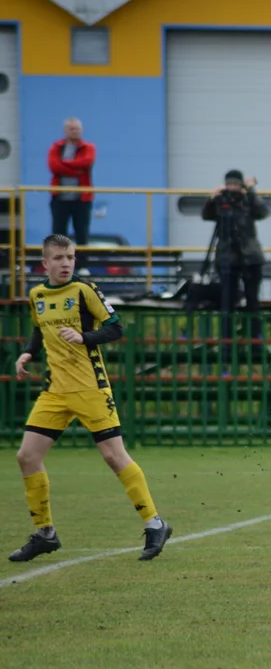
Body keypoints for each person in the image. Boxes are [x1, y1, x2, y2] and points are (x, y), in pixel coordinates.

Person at [10, 234, 172, 563]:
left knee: (114, 456)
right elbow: (40, 331)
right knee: (27, 457)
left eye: (70, 256)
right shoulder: (37, 294)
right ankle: (45, 534)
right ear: (45, 263)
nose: (66, 263)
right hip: (55, 391)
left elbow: (115, 327)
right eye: (58, 258)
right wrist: (28, 354)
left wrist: (84, 337)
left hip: (90, 388)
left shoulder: (84, 291)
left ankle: (155, 524)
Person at [200, 169, 268, 342]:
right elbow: (206, 216)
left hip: (250, 258)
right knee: (227, 302)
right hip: (227, 258)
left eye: (236, 185)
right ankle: (227, 342)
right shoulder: (221, 202)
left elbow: (262, 212)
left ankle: (255, 340)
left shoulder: (248, 201)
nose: (232, 188)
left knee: (252, 301)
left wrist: (251, 192)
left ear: (241, 185)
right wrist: (211, 199)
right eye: (229, 184)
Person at [47, 117, 96, 257]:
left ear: (82, 130)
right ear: (65, 131)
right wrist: (75, 170)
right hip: (59, 198)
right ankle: (56, 263)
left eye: (77, 129)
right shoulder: (56, 147)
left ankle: (82, 266)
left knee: (82, 232)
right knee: (58, 234)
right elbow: (53, 166)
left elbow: (86, 163)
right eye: (71, 128)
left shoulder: (89, 147)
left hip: (82, 199)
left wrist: (64, 164)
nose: (75, 131)